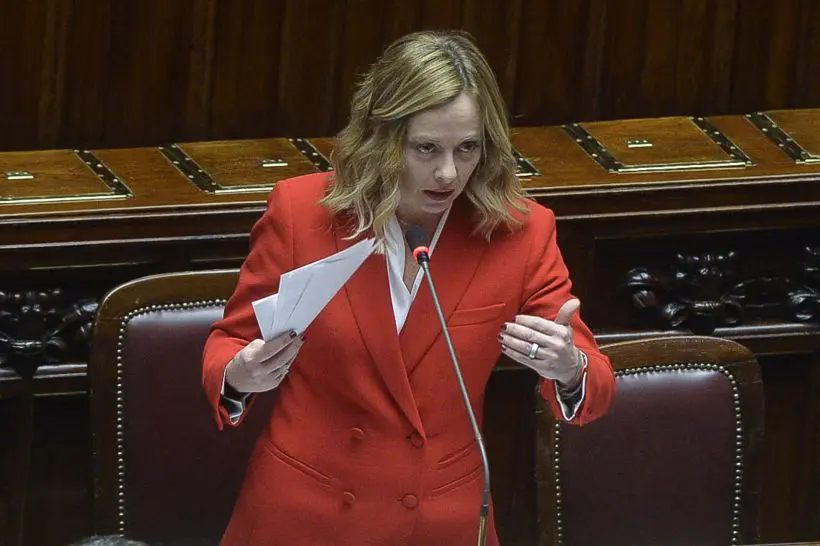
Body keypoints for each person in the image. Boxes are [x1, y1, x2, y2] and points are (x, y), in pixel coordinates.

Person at [202, 29, 615, 546]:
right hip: (305, 517)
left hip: (439, 522)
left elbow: (596, 380)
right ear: (381, 138)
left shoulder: (520, 233)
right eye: (426, 148)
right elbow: (229, 343)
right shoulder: (301, 213)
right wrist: (241, 374)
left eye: (467, 148)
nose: (448, 173)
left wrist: (569, 368)